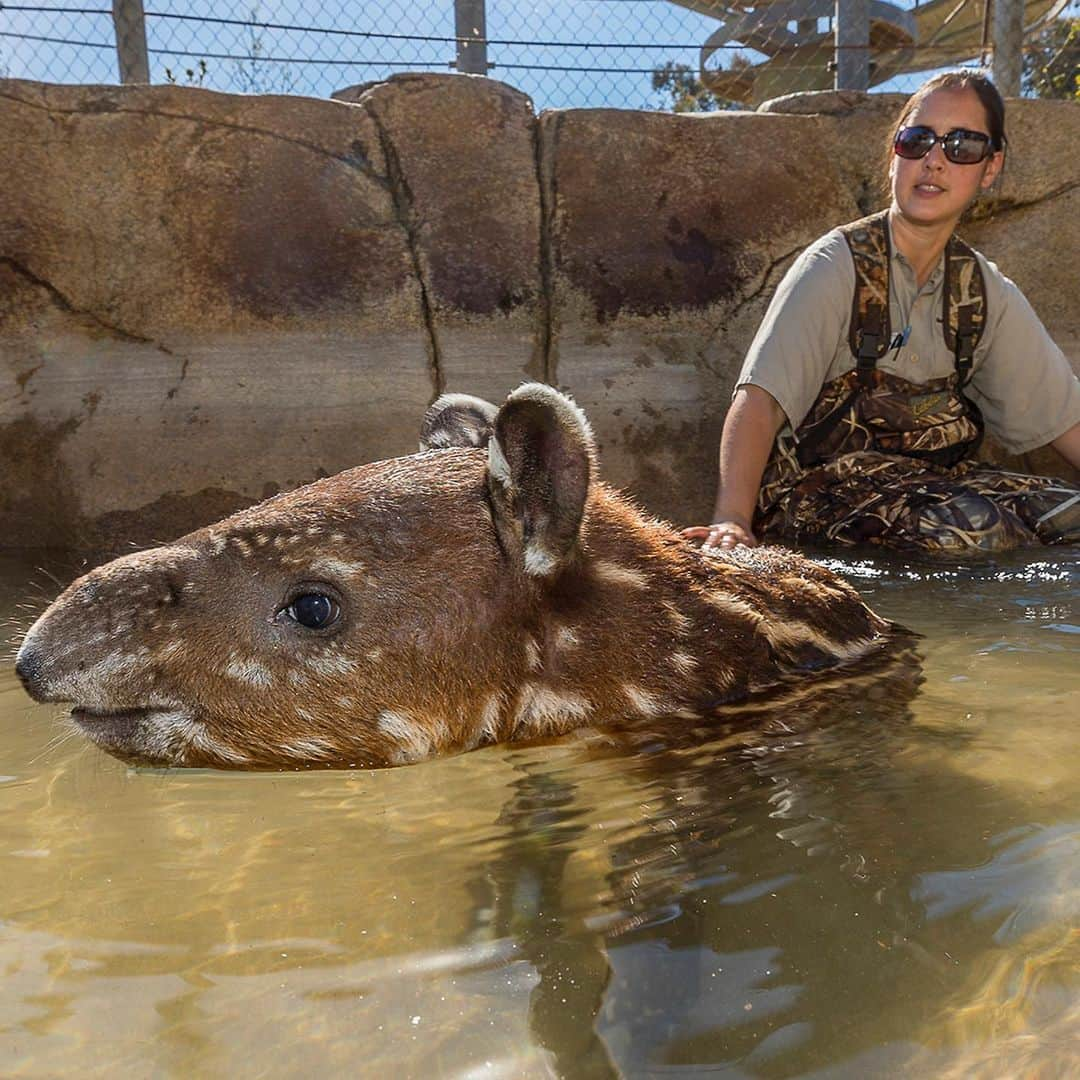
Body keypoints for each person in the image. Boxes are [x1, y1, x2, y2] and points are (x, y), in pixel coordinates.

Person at [682, 71, 1080, 555]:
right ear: (895, 154)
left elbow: (1067, 424)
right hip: (818, 498)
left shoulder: (983, 290)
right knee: (972, 528)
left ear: (990, 167)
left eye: (962, 145)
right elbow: (759, 402)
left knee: (1069, 514)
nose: (934, 160)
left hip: (934, 491)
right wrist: (732, 521)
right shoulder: (835, 264)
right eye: (917, 140)